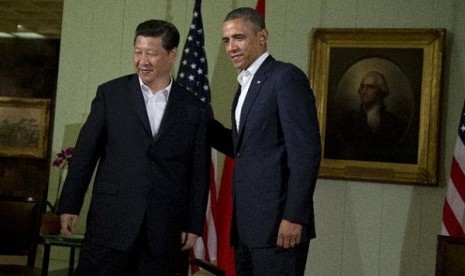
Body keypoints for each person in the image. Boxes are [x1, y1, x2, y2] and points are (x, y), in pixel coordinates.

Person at [56, 19, 210, 275]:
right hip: (110, 224)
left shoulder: (193, 107)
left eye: (151, 53)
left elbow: (198, 171)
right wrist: (70, 205)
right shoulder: (110, 94)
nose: (142, 61)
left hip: (163, 231)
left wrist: (194, 224)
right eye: (138, 52)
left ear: (172, 55)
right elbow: (85, 154)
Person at [209, 7, 321, 276]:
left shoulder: (285, 78)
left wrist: (294, 217)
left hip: (280, 229)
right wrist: (199, 122)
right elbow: (243, 148)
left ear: (262, 36)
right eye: (226, 40)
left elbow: (306, 153)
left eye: (239, 38)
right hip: (247, 230)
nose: (231, 47)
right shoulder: (246, 84)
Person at [328, 70, 407, 162]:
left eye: (370, 87)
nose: (364, 91)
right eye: (362, 87)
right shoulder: (351, 119)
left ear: (380, 91)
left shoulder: (392, 121)